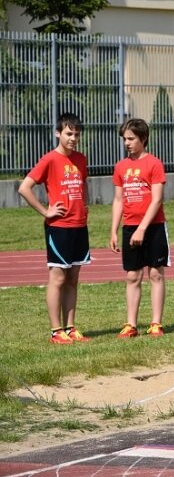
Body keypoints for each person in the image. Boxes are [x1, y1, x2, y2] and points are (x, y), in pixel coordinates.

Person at [18, 112, 91, 344]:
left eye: (77, 135)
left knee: (73, 278)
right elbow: (24, 188)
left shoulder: (81, 159)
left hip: (79, 225)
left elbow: (83, 185)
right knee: (58, 277)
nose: (73, 138)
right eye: (69, 134)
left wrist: (84, 205)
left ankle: (70, 328)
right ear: (58, 133)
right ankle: (55, 330)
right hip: (59, 227)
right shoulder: (49, 159)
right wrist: (45, 211)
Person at [110, 118, 169, 339]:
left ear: (143, 138)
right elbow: (118, 200)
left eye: (132, 139)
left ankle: (156, 323)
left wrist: (142, 228)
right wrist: (114, 230)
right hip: (130, 227)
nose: (127, 143)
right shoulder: (120, 167)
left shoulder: (154, 164)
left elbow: (156, 200)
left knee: (156, 273)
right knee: (132, 276)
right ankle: (131, 325)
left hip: (152, 227)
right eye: (125, 139)